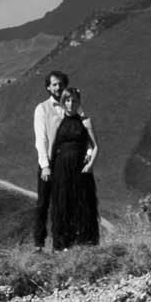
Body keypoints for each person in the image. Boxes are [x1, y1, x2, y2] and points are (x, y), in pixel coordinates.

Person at [41, 86, 100, 250]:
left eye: (74, 100)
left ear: (78, 102)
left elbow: (95, 146)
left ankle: (85, 242)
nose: (71, 103)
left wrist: (89, 165)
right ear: (63, 102)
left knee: (82, 203)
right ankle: (62, 244)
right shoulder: (58, 122)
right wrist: (49, 167)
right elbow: (52, 146)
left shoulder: (85, 122)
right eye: (67, 100)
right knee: (62, 204)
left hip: (80, 169)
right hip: (61, 169)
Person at [30, 72, 71, 249]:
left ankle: (59, 244)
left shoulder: (71, 106)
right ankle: (39, 243)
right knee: (43, 203)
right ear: (48, 87)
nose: (58, 87)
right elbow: (41, 138)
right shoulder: (42, 109)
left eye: (60, 84)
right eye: (54, 84)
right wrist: (45, 165)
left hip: (66, 163)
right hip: (49, 163)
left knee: (61, 204)